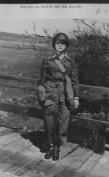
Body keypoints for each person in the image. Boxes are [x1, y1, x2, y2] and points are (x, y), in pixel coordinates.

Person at [38, 32, 79, 161]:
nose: (60, 45)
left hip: (65, 95)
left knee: (63, 123)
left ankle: (57, 147)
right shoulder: (47, 61)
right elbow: (42, 80)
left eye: (63, 43)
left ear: (66, 46)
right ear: (54, 45)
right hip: (50, 95)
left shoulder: (70, 62)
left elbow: (75, 81)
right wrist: (41, 95)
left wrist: (76, 97)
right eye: (58, 43)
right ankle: (50, 145)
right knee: (49, 121)